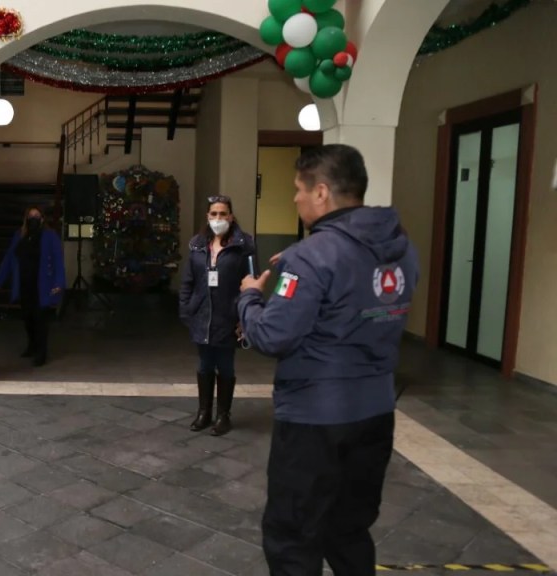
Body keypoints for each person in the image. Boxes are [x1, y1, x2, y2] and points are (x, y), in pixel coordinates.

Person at [237, 144, 419, 576]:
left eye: (298, 189)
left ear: (321, 192)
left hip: (315, 419)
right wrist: (298, 267)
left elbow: (273, 335)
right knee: (349, 529)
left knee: (293, 536)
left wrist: (249, 298)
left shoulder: (311, 256)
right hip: (376, 411)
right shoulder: (400, 247)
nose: (295, 198)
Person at [179, 194, 255, 436]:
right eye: (214, 214)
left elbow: (250, 283)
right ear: (207, 216)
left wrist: (245, 316)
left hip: (228, 317)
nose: (218, 218)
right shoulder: (197, 245)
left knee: (225, 366)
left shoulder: (243, 245)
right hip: (202, 316)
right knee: (204, 365)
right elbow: (188, 281)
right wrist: (187, 310)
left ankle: (223, 415)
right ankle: (204, 412)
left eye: (223, 214)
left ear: (231, 217)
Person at [0, 206, 65, 367]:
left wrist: (59, 283)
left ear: (42, 218)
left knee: (40, 319)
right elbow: (9, 257)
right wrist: (0, 279)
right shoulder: (20, 235)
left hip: (42, 285)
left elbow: (58, 261)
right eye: (30, 216)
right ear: (26, 218)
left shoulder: (50, 236)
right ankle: (32, 346)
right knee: (28, 318)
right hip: (24, 284)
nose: (33, 218)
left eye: (37, 215)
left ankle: (41, 352)